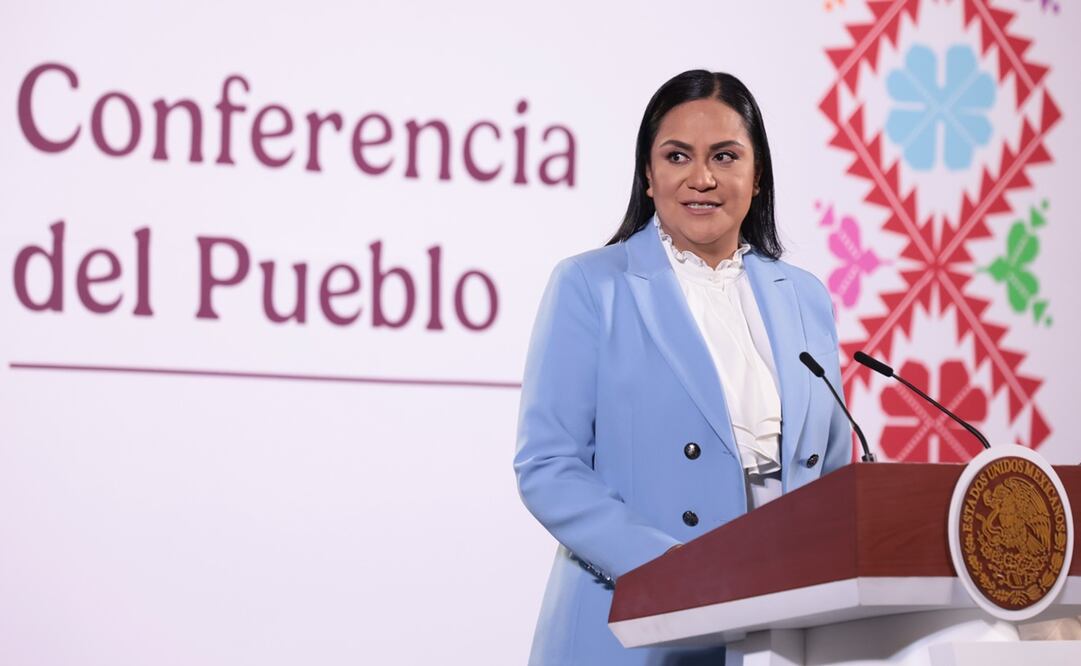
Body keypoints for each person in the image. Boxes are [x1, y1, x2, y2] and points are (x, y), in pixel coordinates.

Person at [513, 70, 853, 665]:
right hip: (638, 618)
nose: (702, 179)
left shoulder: (805, 297)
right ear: (649, 174)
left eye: (725, 156)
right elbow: (548, 465)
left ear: (758, 173)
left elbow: (831, 468)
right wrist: (669, 568)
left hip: (782, 627)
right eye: (678, 156)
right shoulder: (591, 285)